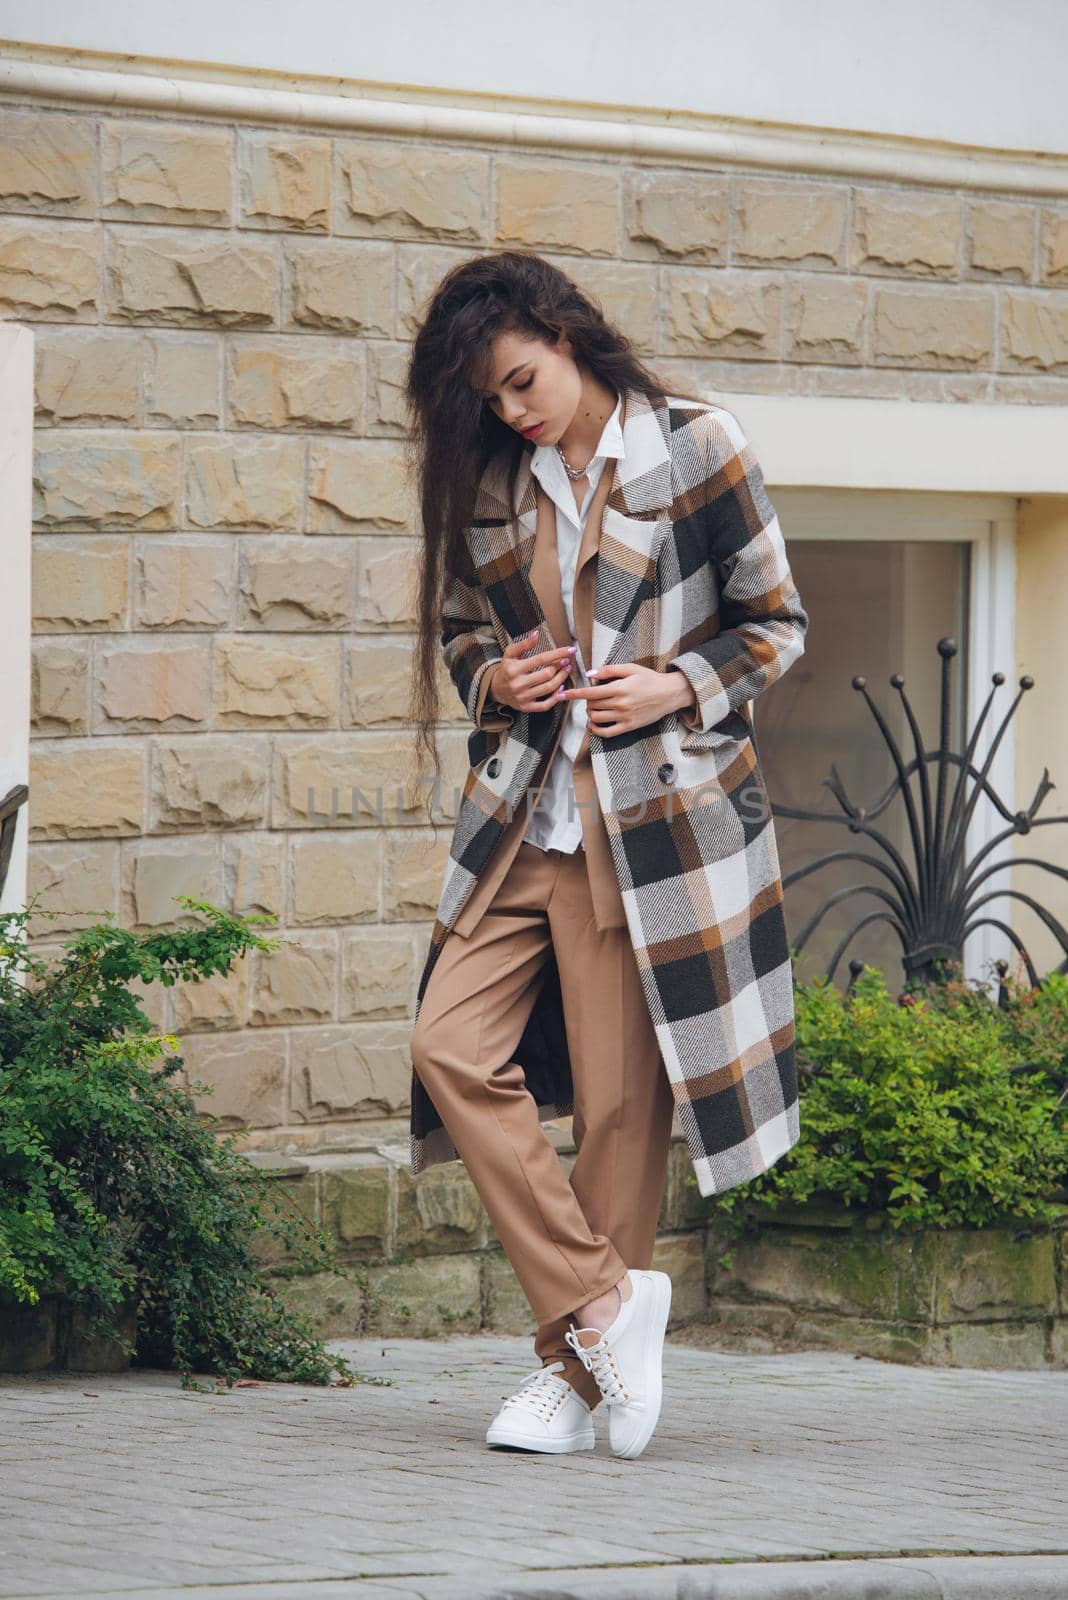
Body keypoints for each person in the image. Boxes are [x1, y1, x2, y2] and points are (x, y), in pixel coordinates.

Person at [404, 250, 808, 1459]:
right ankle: (605, 1306)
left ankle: (577, 1387)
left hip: (652, 829)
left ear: (565, 331)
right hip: (525, 816)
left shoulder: (696, 445)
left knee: (620, 1114)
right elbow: (462, 632)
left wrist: (675, 681)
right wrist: (497, 676)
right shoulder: (492, 479)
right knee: (446, 1044)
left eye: (522, 381)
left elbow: (775, 623)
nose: (514, 410)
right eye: (491, 399)